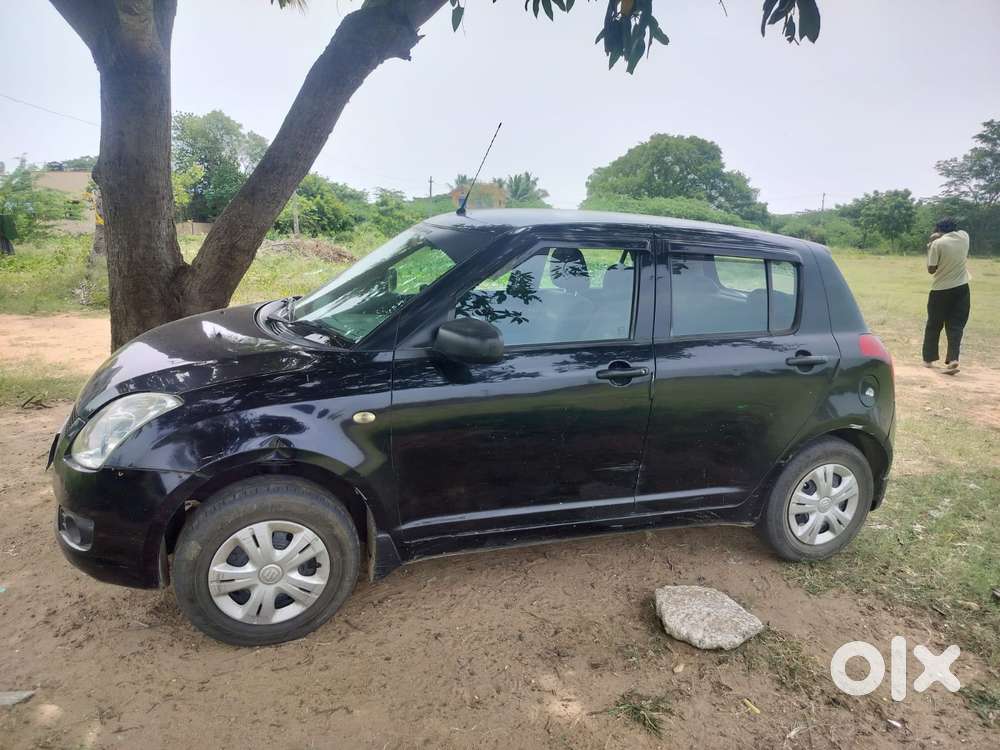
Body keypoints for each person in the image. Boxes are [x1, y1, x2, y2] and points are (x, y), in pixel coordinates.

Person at [922, 218, 970, 374]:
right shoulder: (964, 236)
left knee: (934, 325)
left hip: (941, 290)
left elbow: (931, 269)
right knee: (956, 325)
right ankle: (953, 359)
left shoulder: (937, 244)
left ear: (938, 229)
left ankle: (929, 359)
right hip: (962, 288)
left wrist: (930, 245)